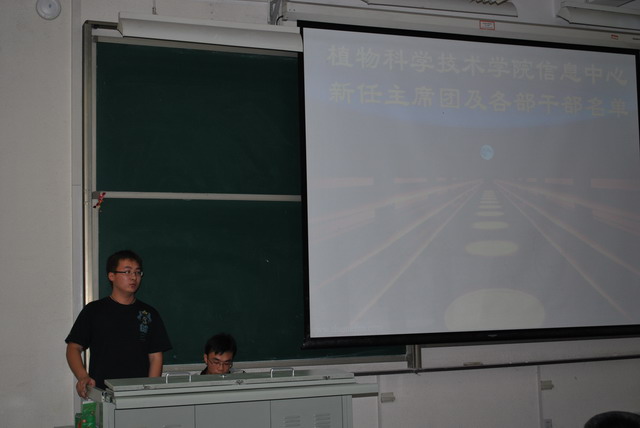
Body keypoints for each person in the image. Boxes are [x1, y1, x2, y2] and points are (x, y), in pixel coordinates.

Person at [65, 250, 172, 398]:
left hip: (138, 393)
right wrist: (83, 376)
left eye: (138, 272)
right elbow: (73, 347)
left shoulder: (148, 313)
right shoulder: (94, 310)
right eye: (127, 272)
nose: (134, 277)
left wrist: (150, 390)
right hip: (102, 392)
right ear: (112, 276)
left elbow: (155, 357)